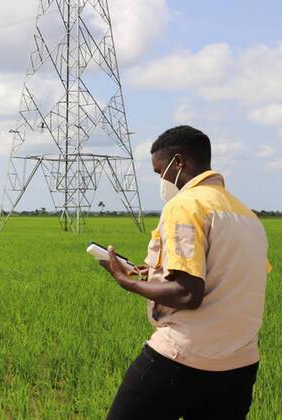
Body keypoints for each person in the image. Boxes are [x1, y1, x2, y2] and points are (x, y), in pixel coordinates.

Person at [100, 126, 273, 419]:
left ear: (178, 162)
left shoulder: (185, 204)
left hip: (184, 357)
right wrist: (152, 271)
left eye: (159, 172)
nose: (162, 180)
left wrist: (127, 281)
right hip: (240, 366)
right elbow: (226, 273)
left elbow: (187, 292)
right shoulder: (246, 215)